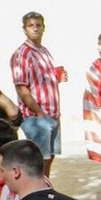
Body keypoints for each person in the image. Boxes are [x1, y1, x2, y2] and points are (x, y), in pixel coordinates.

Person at [9, 9, 65, 160]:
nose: (35, 29)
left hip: (52, 113)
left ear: (43, 28)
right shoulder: (21, 54)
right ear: (24, 29)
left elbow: (42, 79)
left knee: (50, 157)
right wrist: (40, 114)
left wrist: (57, 77)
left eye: (38, 25)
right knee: (40, 159)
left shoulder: (44, 51)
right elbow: (21, 88)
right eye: (31, 26)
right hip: (36, 116)